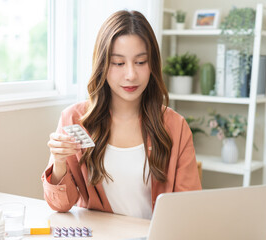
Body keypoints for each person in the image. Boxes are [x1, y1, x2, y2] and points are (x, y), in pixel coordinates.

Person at [42, 10, 201, 219]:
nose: (131, 75)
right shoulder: (74, 119)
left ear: (152, 64)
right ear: (103, 65)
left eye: (141, 62)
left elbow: (189, 208)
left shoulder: (175, 126)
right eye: (118, 63)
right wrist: (59, 162)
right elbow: (60, 205)